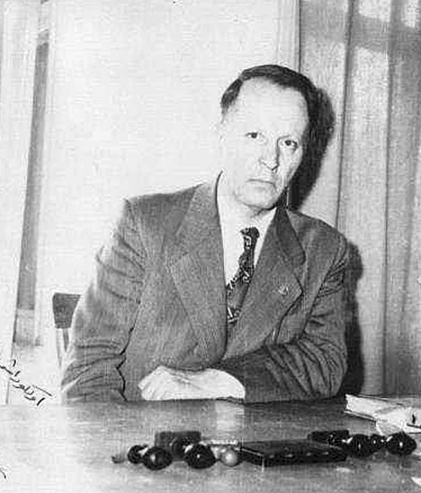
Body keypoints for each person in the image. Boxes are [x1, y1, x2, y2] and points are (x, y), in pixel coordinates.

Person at [61, 64, 355, 403]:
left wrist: (222, 381)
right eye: (254, 136)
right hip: (140, 433)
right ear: (222, 135)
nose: (271, 160)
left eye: (288, 143)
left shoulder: (324, 249)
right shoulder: (145, 224)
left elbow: (325, 362)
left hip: (251, 435)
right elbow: (88, 371)